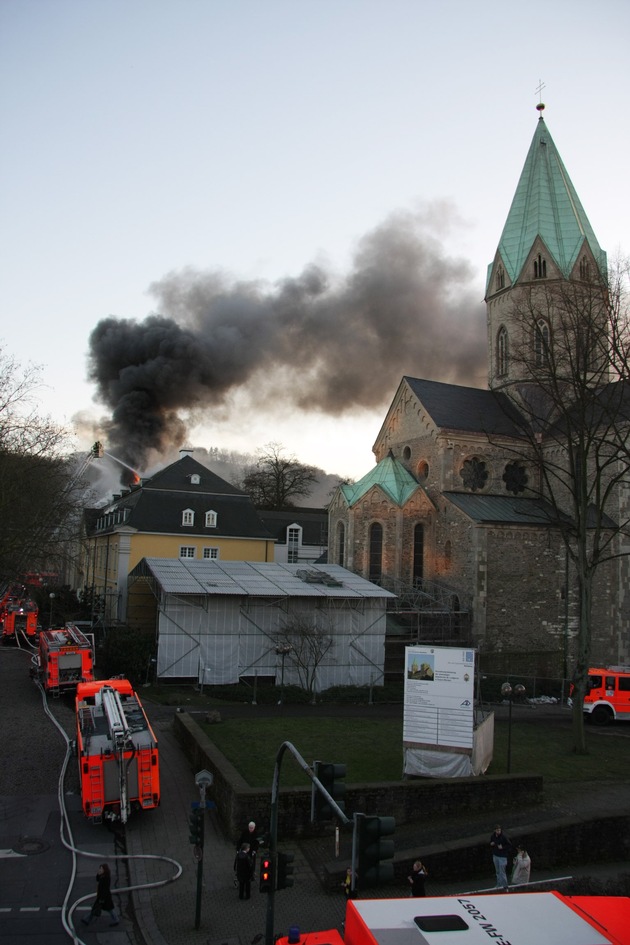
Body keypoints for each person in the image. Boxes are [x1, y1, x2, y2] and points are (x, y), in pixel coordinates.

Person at [489, 825, 511, 890]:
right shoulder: (493, 836)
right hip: (495, 855)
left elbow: (509, 845)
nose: (498, 831)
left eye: (499, 830)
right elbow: (491, 843)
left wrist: (503, 848)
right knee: (498, 871)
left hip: (502, 857)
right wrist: (491, 844)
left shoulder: (503, 837)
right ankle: (499, 884)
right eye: (497, 830)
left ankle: (505, 886)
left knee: (502, 872)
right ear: (495, 830)